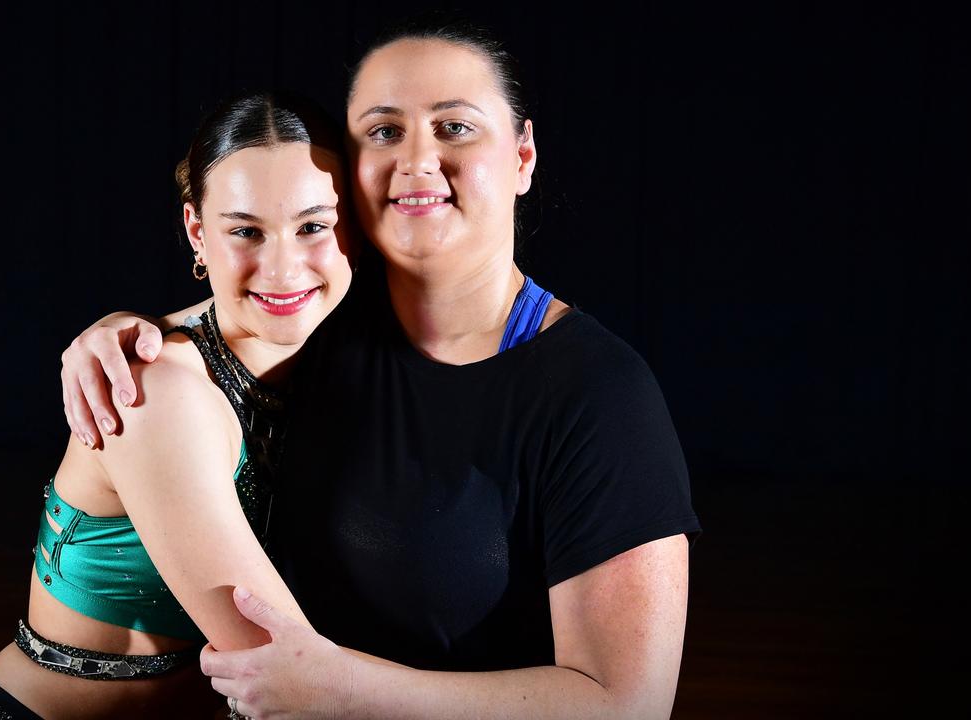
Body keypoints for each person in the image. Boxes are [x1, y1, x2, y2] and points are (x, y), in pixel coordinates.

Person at [60, 17, 701, 720]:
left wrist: (346, 687)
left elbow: (630, 706)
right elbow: (239, 310)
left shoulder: (600, 392)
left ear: (522, 157)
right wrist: (126, 332)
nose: (417, 160)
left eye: (455, 126)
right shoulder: (327, 317)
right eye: (384, 131)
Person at [0, 92, 357, 720]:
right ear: (197, 231)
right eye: (245, 231)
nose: (282, 267)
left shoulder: (348, 360)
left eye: (313, 226)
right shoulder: (151, 389)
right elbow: (287, 674)